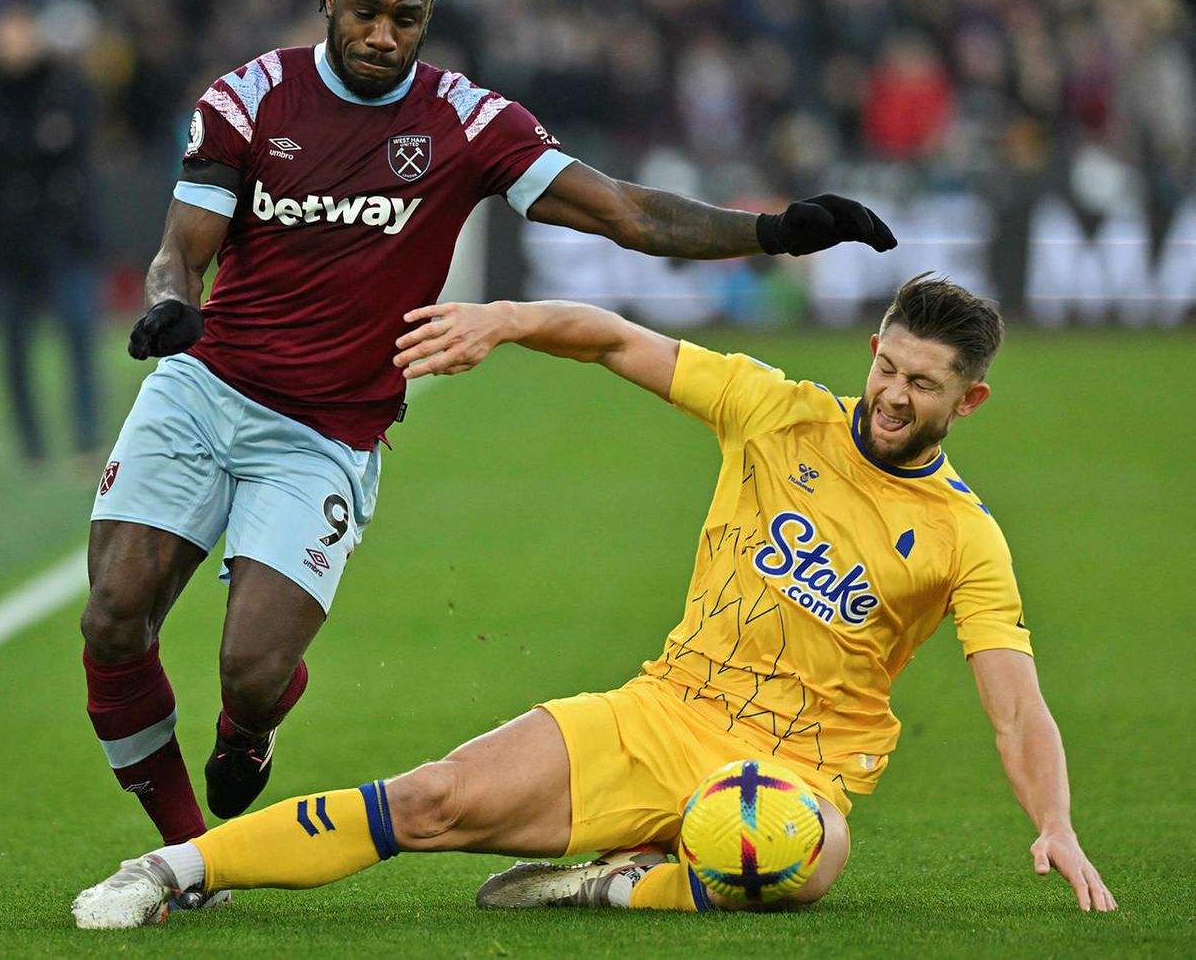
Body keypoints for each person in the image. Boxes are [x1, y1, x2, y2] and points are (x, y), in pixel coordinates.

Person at [80, 0, 896, 888]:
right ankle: (184, 845)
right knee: (113, 614)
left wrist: (770, 230)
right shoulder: (249, 99)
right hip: (202, 384)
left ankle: (247, 729)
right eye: (368, 11)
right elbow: (183, 250)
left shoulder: (464, 122)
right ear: (329, 2)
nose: (383, 34)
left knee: (251, 672)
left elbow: (625, 212)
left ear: (427, 22)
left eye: (406, 19)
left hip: (328, 430)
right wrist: (172, 306)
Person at [73, 275, 1118, 927]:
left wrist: (1055, 822)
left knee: (805, 856)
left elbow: (1014, 703)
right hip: (656, 714)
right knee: (428, 799)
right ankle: (169, 867)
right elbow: (618, 340)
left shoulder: (962, 536)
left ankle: (614, 883)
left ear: (965, 400)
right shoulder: (774, 411)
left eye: (920, 385)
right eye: (885, 366)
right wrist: (511, 319)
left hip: (787, 771)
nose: (889, 395)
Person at [0, 0, 102, 463]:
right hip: (9, 238)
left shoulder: (67, 83)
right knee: (14, 344)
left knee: (79, 331)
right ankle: (31, 444)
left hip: (63, 230)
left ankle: (87, 435)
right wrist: (37, 140)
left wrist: (22, 144)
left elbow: (70, 139)